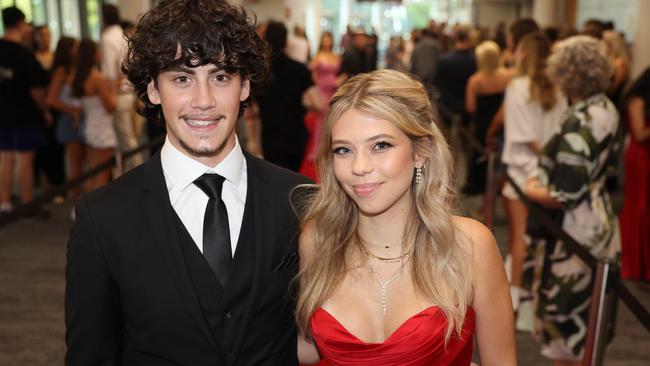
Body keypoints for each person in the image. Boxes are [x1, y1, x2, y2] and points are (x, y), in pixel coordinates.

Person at [65, 1, 310, 364]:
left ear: (244, 87)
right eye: (182, 78)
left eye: (221, 77)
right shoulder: (102, 218)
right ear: (152, 90)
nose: (203, 101)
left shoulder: (300, 202)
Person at [295, 70, 516, 365]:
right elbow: (306, 348)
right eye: (344, 150)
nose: (359, 166)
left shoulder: (469, 246)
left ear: (421, 150)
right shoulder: (318, 239)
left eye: (381, 145)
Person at [524, 35, 620, 365]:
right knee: (587, 319)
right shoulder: (604, 106)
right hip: (595, 220)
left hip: (575, 231)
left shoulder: (582, 118)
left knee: (568, 323)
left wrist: (531, 188)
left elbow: (564, 193)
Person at [500, 32, 566, 314]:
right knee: (543, 237)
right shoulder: (559, 87)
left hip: (522, 171)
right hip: (548, 172)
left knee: (519, 235)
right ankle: (534, 293)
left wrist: (544, 157)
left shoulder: (517, 87)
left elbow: (525, 135)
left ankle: (515, 295)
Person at [0, 7, 50, 215]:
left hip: (2, 113)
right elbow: (36, 89)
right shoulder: (23, 53)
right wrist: (44, 110)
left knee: (5, 157)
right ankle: (27, 204)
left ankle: (4, 203)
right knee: (25, 158)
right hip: (24, 113)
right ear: (21, 24)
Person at [257, 20, 313, 172]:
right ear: (286, 41)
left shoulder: (260, 72)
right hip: (295, 135)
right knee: (292, 179)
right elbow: (316, 102)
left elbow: (252, 111)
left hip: (270, 136)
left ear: (265, 41)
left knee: (272, 178)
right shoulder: (300, 70)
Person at [464, 40, 512, 196]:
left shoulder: (475, 80)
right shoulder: (509, 76)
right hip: (504, 122)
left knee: (481, 157)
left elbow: (470, 107)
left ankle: (480, 188)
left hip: (482, 124)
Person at [101, 4, 143, 171]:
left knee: (126, 141)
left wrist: (109, 95)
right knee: (128, 139)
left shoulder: (108, 37)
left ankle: (138, 175)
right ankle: (127, 175)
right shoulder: (123, 35)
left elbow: (109, 73)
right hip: (128, 91)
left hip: (118, 94)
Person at [72, 39, 117, 191]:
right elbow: (110, 106)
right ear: (93, 54)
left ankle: (82, 208)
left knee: (92, 171)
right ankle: (96, 211)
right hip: (102, 128)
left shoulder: (80, 77)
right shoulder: (98, 78)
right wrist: (113, 90)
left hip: (90, 126)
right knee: (103, 173)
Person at [620, 67, 650, 282]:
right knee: (640, 209)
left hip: (645, 157)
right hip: (640, 158)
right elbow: (639, 134)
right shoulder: (637, 99)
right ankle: (636, 265)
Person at [299, 31, 341, 181]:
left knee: (331, 122)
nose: (327, 42)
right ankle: (318, 151)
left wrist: (338, 81)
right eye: (325, 39)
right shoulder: (318, 57)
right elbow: (312, 74)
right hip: (321, 92)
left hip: (332, 93)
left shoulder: (336, 56)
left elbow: (338, 74)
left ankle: (330, 148)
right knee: (319, 124)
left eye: (329, 39)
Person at [47, 36, 84, 202]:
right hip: (68, 120)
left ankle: (79, 196)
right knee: (75, 163)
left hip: (77, 118)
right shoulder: (61, 71)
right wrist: (72, 111)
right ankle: (76, 199)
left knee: (81, 162)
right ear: (68, 50)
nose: (78, 50)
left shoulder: (72, 68)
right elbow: (51, 99)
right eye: (75, 47)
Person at [434, 25, 476, 127]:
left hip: (448, 107)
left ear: (455, 38)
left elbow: (437, 83)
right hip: (468, 109)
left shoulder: (444, 60)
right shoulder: (475, 60)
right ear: (469, 39)